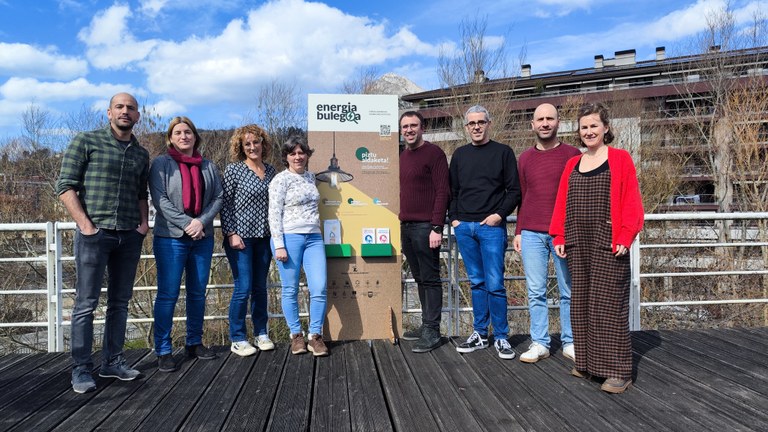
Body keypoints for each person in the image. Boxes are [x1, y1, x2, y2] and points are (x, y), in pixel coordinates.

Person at [56, 92, 150, 393]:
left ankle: (113, 361)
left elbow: (140, 194)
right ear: (109, 113)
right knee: (86, 304)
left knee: (120, 303)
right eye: (120, 107)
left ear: (138, 116)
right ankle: (81, 369)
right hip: (94, 235)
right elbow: (65, 185)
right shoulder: (86, 141)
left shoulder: (140, 153)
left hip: (128, 235)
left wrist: (143, 224)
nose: (125, 111)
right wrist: (85, 225)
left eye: (131, 108)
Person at [550, 103, 644, 394]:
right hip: (578, 240)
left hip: (609, 241)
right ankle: (589, 365)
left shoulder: (620, 159)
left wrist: (625, 236)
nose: (589, 131)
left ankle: (618, 371)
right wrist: (558, 235)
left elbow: (632, 202)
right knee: (582, 304)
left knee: (609, 306)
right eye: (584, 126)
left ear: (606, 128)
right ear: (578, 131)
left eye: (594, 125)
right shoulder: (572, 164)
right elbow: (561, 203)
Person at [149, 116, 223, 372]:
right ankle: (164, 349)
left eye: (188, 132)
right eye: (178, 132)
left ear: (195, 136)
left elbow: (218, 197)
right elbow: (160, 200)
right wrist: (187, 224)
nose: (184, 136)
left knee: (197, 293)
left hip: (202, 238)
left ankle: (194, 341)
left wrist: (201, 222)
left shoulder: (209, 166)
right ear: (170, 137)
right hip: (170, 238)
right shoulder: (161, 164)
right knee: (168, 294)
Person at [450, 105, 521, 360]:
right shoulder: (459, 155)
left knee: (495, 284)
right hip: (464, 228)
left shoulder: (503, 152)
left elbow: (514, 190)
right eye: (472, 123)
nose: (476, 127)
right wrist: (455, 219)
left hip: (491, 227)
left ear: (489, 124)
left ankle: (501, 337)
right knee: (476, 282)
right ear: (466, 127)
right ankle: (480, 334)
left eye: (481, 122)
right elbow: (453, 191)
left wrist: (498, 215)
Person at [514, 103, 581, 363]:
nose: (544, 123)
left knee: (568, 289)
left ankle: (570, 340)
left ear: (558, 122)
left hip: (562, 232)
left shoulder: (572, 154)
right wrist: (518, 230)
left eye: (549, 118)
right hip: (531, 232)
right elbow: (523, 195)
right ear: (532, 124)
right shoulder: (525, 158)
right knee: (535, 290)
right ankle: (540, 342)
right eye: (540, 119)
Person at [268, 135, 329, 357]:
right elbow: (273, 213)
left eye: (301, 152)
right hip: (289, 237)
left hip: (314, 237)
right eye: (292, 153)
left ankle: (315, 336)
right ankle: (296, 335)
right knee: (290, 288)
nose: (297, 157)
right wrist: (279, 245)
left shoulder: (311, 178)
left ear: (307, 155)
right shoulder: (280, 180)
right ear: (286, 157)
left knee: (319, 287)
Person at [221, 124, 276, 357]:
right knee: (243, 288)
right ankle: (238, 337)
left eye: (256, 142)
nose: (253, 147)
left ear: (263, 143)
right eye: (247, 144)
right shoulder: (234, 170)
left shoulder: (272, 171)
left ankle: (261, 332)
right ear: (241, 148)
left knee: (260, 288)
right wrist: (231, 232)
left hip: (265, 237)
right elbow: (225, 204)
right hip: (241, 239)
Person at [398, 111, 450, 353]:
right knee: (419, 278)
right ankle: (426, 324)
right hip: (406, 227)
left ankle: (432, 330)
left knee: (430, 279)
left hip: (426, 227)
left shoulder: (434, 154)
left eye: (413, 125)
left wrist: (437, 226)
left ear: (422, 128)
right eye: (405, 126)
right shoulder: (402, 157)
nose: (409, 130)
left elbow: (443, 192)